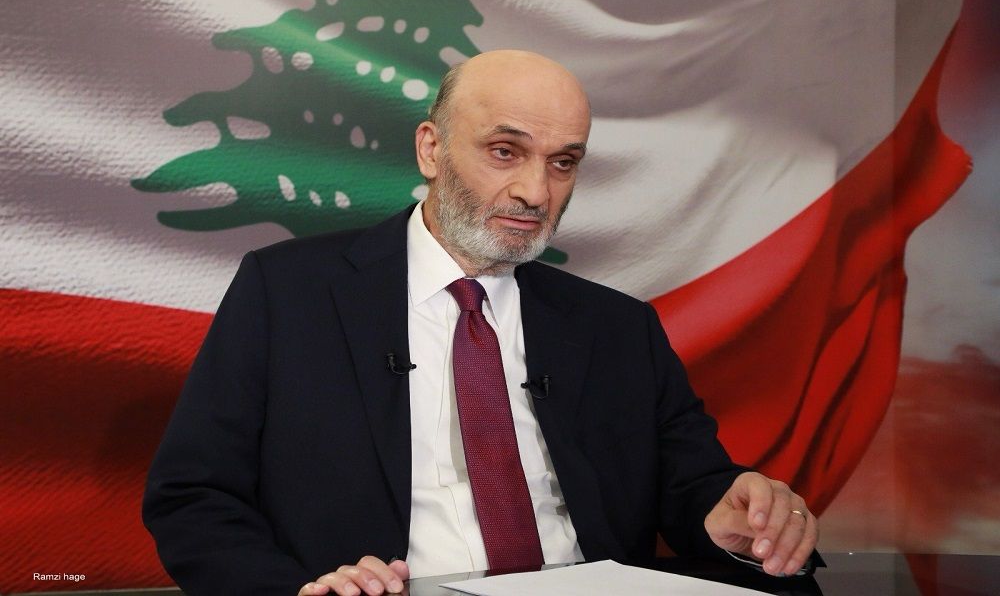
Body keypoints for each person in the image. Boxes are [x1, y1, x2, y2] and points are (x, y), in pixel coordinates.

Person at [143, 50, 818, 596]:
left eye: (563, 163)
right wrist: (297, 590)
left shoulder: (619, 327)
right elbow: (193, 497)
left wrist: (730, 517)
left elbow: (693, 487)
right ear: (431, 149)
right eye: (505, 151)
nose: (535, 192)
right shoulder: (289, 293)